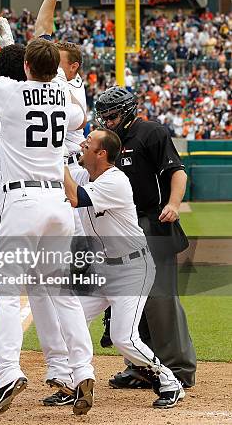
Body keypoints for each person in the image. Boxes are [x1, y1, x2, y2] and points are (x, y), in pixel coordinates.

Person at [0, 13, 94, 416]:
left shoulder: (13, 93)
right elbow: (79, 113)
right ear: (54, 68)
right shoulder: (62, 96)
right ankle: (83, 368)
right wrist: (56, 78)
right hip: (58, 203)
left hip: (21, 202)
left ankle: (7, 373)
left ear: (24, 66)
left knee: (6, 294)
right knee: (65, 295)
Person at [63, 128, 185, 409]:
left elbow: (73, 196)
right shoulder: (87, 173)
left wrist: (58, 163)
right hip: (104, 269)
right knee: (71, 319)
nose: (83, 144)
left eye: (89, 142)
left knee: (124, 337)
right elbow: (65, 174)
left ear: (101, 153)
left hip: (133, 268)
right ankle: (73, 381)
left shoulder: (116, 181)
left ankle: (169, 381)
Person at [94, 86, 196, 388]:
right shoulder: (107, 142)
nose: (106, 121)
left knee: (160, 299)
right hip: (122, 227)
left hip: (152, 223)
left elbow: (177, 172)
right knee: (130, 299)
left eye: (111, 116)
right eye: (103, 117)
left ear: (126, 111)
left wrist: (174, 204)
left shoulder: (151, 133)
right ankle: (141, 366)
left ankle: (178, 368)